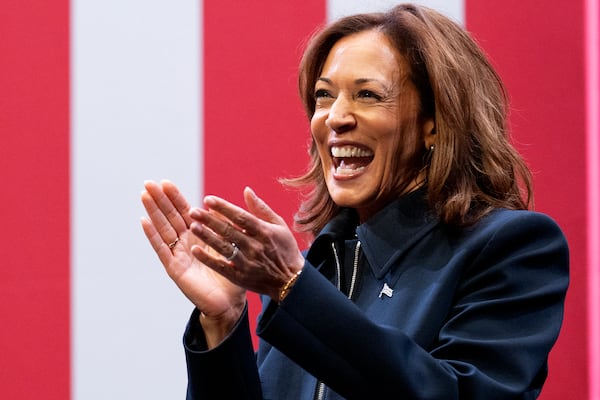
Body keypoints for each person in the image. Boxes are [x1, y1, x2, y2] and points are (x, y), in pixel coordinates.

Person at [141, 3, 569, 399]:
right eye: (324, 95)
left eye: (368, 95)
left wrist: (294, 288)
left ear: (435, 125)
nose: (335, 117)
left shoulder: (512, 248)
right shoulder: (309, 273)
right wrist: (223, 321)